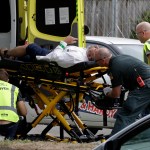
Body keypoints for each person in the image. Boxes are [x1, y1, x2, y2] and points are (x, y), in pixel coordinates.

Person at [92, 47, 150, 136]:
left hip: (145, 87)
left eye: (97, 61)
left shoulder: (114, 67)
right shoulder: (121, 57)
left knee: (125, 114)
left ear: (103, 60)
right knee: (147, 117)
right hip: (144, 85)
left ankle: (114, 143)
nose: (97, 63)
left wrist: (106, 93)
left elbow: (116, 93)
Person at [0, 36, 98, 68]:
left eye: (96, 49)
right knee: (25, 58)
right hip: (51, 54)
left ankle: (6, 53)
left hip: (48, 58)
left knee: (31, 47)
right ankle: (13, 58)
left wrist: (64, 42)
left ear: (91, 56)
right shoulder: (85, 53)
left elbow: (54, 57)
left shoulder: (77, 57)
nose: (95, 47)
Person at [0, 69, 27, 140]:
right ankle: (9, 140)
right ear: (8, 80)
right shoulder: (14, 88)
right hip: (10, 123)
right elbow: (23, 113)